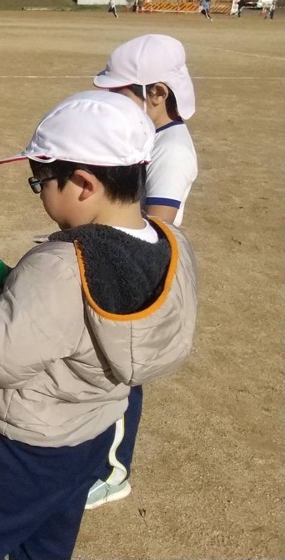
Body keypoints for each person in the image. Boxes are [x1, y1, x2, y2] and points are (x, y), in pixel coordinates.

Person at [0, 90, 198, 560]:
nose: (37, 189)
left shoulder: (60, 265)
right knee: (47, 546)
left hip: (21, 448)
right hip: (91, 434)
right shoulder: (172, 243)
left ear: (82, 183)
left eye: (39, 180)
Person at [88, 34, 198, 509]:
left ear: (157, 92)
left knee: (122, 373)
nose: (114, 100)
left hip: (135, 272)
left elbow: (154, 226)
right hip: (114, 258)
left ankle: (114, 472)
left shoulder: (173, 151)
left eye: (122, 92)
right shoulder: (149, 137)